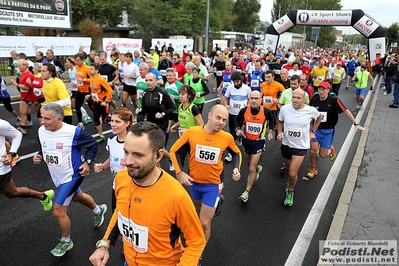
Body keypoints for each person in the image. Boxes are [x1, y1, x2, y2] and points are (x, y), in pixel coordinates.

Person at [89, 121, 206, 266]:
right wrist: (105, 243)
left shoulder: (176, 196)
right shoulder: (121, 178)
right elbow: (120, 211)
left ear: (158, 156)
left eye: (138, 155)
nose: (128, 161)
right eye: (126, 152)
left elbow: (196, 241)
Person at [170, 105, 241, 265]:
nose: (221, 122)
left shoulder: (226, 137)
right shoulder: (192, 133)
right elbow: (174, 151)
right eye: (218, 118)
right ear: (209, 115)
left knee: (203, 222)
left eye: (224, 120)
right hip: (194, 183)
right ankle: (214, 205)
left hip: (213, 185)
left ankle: (197, 253)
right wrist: (180, 172)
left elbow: (236, 152)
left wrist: (236, 168)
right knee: (198, 209)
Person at [33, 103, 107, 257]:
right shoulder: (42, 130)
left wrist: (88, 162)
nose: (43, 121)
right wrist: (39, 155)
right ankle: (98, 210)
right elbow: (44, 144)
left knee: (58, 211)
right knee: (77, 197)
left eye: (47, 118)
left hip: (72, 176)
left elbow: (92, 145)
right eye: (42, 117)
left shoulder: (74, 132)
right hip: (57, 176)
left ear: (59, 118)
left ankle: (66, 241)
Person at [304, 81, 366, 179]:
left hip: (328, 130)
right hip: (316, 129)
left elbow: (345, 111)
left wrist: (355, 123)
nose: (321, 91)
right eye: (320, 89)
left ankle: (330, 150)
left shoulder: (334, 101)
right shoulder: (315, 100)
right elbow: (310, 114)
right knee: (312, 151)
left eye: (323, 89)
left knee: (323, 155)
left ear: (328, 90)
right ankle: (314, 168)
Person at [277, 89, 321, 207]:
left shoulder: (310, 110)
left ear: (304, 99)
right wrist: (279, 132)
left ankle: (290, 191)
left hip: (300, 147)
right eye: (294, 97)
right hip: (286, 144)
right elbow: (280, 122)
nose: (295, 100)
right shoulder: (284, 109)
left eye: (298, 98)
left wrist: (313, 131)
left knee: (292, 173)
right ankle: (290, 182)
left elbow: (319, 117)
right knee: (287, 168)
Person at [0, 118, 53, 210]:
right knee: (13, 193)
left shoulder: (1, 124)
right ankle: (43, 196)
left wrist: (12, 154)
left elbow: (17, 135)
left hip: (1, 170)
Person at [234, 91, 275, 202]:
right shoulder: (244, 110)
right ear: (248, 99)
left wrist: (270, 131)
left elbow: (272, 120)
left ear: (261, 100)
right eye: (251, 98)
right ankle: (257, 169)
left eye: (256, 98)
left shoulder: (266, 111)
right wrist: (237, 129)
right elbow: (236, 120)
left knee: (251, 168)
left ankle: (246, 192)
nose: (254, 101)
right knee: (248, 162)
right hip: (246, 140)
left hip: (258, 142)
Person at [93, 108, 134, 211]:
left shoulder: (134, 142)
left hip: (133, 189)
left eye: (117, 121)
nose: (113, 124)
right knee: (116, 215)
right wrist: (102, 166)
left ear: (127, 123)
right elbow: (111, 158)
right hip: (117, 187)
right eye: (112, 120)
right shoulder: (111, 140)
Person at [222, 71, 251, 162]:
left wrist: (248, 108)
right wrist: (226, 105)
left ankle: (233, 151)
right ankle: (234, 147)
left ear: (241, 80)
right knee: (232, 132)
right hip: (232, 113)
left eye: (237, 81)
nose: (236, 83)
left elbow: (250, 99)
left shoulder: (247, 89)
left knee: (242, 131)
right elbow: (225, 97)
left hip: (243, 114)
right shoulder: (230, 88)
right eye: (234, 82)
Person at [86, 64, 113, 143]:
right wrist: (89, 95)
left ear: (96, 71)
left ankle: (116, 122)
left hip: (103, 103)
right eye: (89, 69)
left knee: (105, 121)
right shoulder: (91, 79)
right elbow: (94, 91)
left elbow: (110, 90)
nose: (89, 70)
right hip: (96, 102)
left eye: (91, 69)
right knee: (96, 119)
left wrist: (106, 101)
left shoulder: (101, 79)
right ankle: (101, 135)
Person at [10, 59, 38, 135]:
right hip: (24, 96)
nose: (18, 67)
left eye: (20, 65)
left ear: (25, 66)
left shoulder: (29, 75)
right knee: (24, 112)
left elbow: (27, 87)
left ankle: (24, 127)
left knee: (38, 112)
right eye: (18, 65)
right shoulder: (22, 73)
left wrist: (16, 84)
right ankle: (24, 125)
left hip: (30, 96)